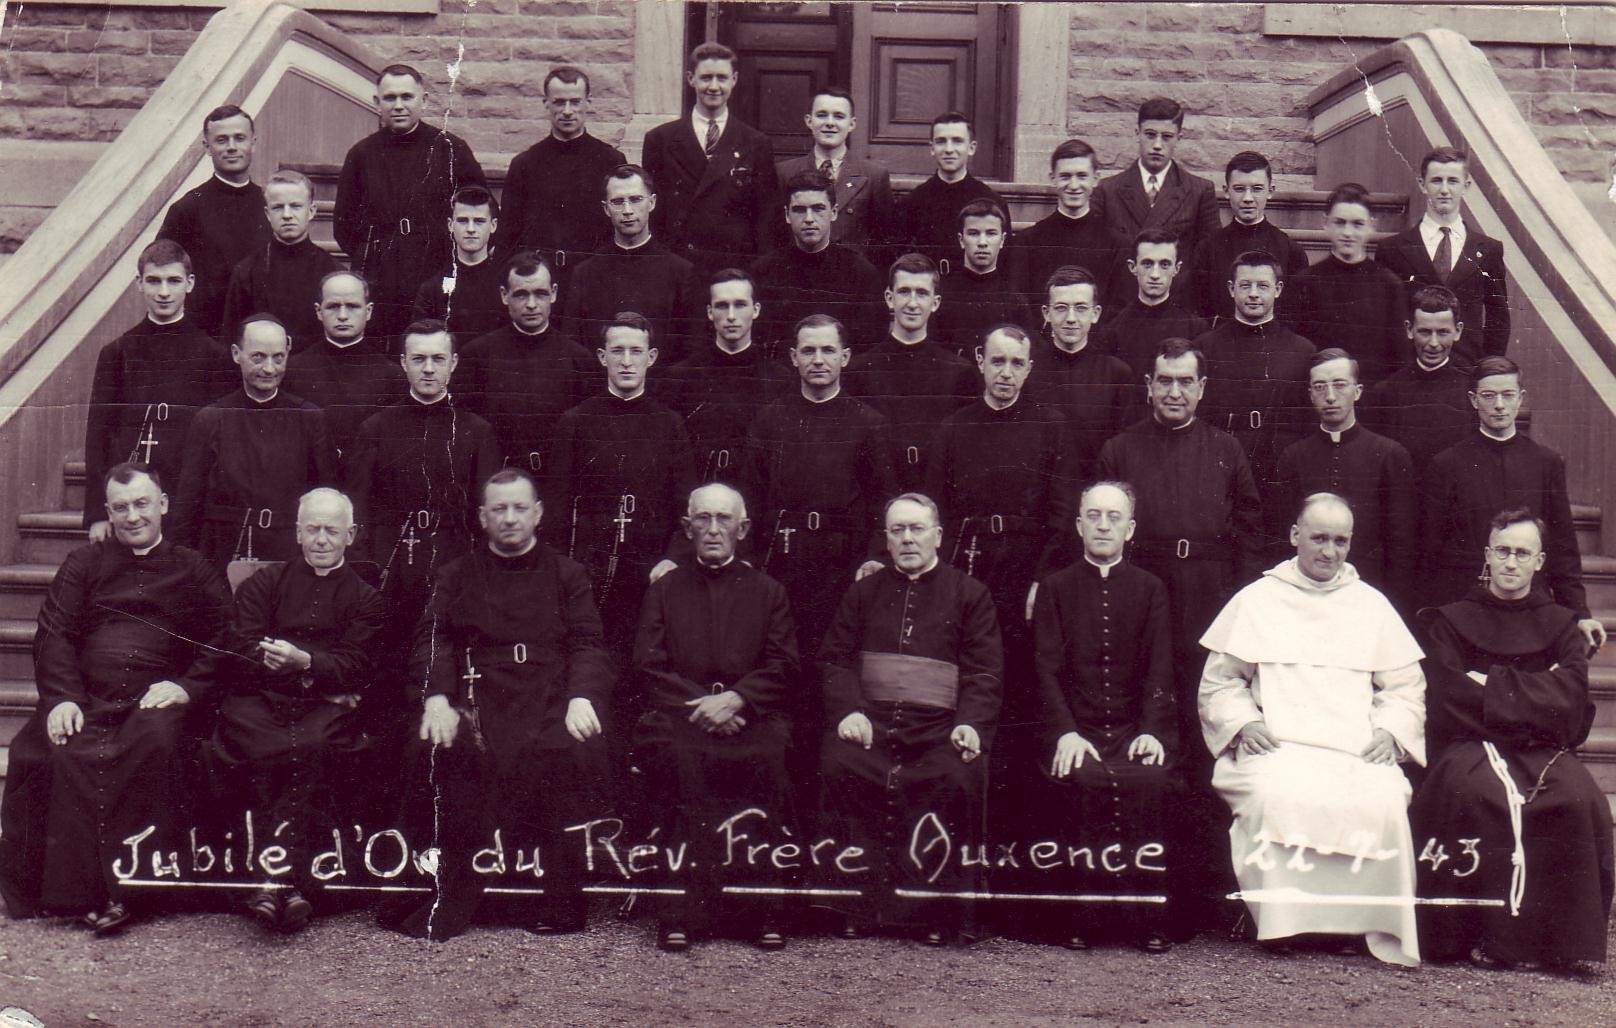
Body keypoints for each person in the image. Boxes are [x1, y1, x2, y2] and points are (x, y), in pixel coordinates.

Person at [381, 467, 614, 940]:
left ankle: (557, 900)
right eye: (499, 509)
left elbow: (588, 642)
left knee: (574, 749)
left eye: (519, 508)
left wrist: (581, 696)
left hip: (549, 698)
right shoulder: (456, 574)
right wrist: (437, 697)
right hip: (478, 699)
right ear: (483, 517)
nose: (510, 518)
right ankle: (440, 892)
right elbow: (432, 639)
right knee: (433, 747)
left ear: (538, 514)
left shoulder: (567, 574)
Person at [0, 463, 232, 931]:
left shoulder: (193, 567)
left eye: (142, 504)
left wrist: (187, 687)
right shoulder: (83, 564)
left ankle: (132, 892)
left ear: (162, 505)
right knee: (54, 746)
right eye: (121, 507)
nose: (132, 516)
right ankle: (70, 892)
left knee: (156, 744)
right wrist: (62, 698)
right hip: (86, 694)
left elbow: (227, 635)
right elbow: (53, 631)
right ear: (108, 512)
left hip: (155, 697)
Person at [1199, 493, 1427, 966]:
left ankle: (1360, 926)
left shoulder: (1371, 605)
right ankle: (1283, 923)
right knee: (1277, 794)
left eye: (1340, 541)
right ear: (1295, 536)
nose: (1329, 551)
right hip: (1280, 746)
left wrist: (1390, 731)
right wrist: (1245, 722)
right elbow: (1221, 682)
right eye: (1319, 538)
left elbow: (1405, 686)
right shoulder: (1258, 600)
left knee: (1384, 797)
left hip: (1354, 750)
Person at [1096, 338, 1263, 929]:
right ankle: (1140, 883)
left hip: (1208, 600)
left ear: (1201, 387)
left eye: (1185, 381)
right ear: (1148, 386)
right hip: (1143, 596)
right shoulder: (1120, 449)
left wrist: (1240, 609)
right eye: (1164, 380)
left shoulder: (1226, 448)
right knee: (1146, 725)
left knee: (1200, 735)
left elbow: (1249, 531)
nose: (1173, 391)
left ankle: (1206, 892)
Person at [1412, 508, 1612, 968]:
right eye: (1502, 551)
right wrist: (1537, 693)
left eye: (1522, 553)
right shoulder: (1450, 621)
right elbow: (1449, 697)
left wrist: (1490, 685)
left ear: (1539, 562)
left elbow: (1570, 701)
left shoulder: (1562, 625)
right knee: (1474, 794)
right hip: (1470, 745)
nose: (1511, 562)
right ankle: (1480, 936)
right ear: (1487, 555)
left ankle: (1559, 945)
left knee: (1579, 798)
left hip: (1541, 748)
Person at [817, 492, 1003, 945]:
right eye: (897, 530)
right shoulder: (862, 593)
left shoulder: (970, 594)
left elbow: (984, 672)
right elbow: (835, 660)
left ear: (938, 536)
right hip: (872, 724)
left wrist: (969, 723)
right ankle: (854, 905)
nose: (907, 538)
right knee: (839, 762)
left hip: (939, 729)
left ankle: (936, 913)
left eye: (917, 529)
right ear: (886, 539)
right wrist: (849, 711)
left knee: (956, 774)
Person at [200, 487, 386, 933]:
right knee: (263, 745)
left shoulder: (366, 598)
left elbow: (358, 665)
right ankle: (285, 885)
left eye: (332, 531)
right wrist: (309, 674)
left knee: (313, 747)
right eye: (313, 529)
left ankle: (280, 884)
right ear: (298, 533)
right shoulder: (265, 583)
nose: (321, 539)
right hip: (264, 701)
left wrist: (306, 663)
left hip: (322, 710)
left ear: (350, 535)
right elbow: (241, 648)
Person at [632, 483, 801, 951]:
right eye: (702, 519)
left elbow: (784, 664)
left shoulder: (769, 591)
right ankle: (681, 913)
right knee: (682, 762)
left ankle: (762, 911)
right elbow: (648, 664)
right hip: (680, 715)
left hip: (749, 714)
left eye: (723, 519)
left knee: (769, 758)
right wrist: (705, 706)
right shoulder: (665, 589)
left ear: (742, 530)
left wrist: (738, 699)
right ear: (687, 528)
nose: (712, 529)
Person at [1029, 481, 1174, 953]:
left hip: (1132, 731)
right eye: (1093, 516)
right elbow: (1045, 670)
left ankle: (1147, 920)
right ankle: (1082, 919)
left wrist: (1152, 731)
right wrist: (1065, 734)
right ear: (1078, 525)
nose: (1103, 525)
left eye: (1114, 517)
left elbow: (1159, 668)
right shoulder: (1055, 588)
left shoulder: (1151, 589)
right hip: (1077, 731)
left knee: (1150, 779)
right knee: (1082, 779)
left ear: (1130, 529)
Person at [344, 320, 499, 738]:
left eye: (437, 359)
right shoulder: (376, 429)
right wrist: (370, 571)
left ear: (453, 364)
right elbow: (357, 510)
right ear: (403, 363)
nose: (428, 369)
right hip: (390, 571)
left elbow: (486, 514)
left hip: (454, 567)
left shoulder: (476, 431)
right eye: (418, 359)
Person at [737, 314, 897, 701]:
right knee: (781, 659)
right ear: (794, 358)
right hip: (783, 562)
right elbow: (749, 499)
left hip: (842, 565)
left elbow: (884, 502)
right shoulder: (770, 420)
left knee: (834, 663)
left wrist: (875, 557)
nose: (819, 359)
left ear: (845, 357)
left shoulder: (868, 423)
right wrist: (747, 558)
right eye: (808, 351)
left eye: (828, 350)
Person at [1421, 357, 1603, 651]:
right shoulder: (1446, 464)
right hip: (1466, 608)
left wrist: (1579, 613)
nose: (1499, 405)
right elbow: (1430, 550)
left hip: (1530, 609)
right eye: (1488, 396)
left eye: (1507, 395)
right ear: (1473, 400)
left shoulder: (1546, 462)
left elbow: (1563, 548)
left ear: (1521, 398)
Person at [547, 312, 697, 659]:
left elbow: (686, 506)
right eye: (617, 351)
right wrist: (567, 571)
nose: (626, 361)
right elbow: (557, 507)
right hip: (590, 570)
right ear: (602, 357)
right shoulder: (576, 422)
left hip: (653, 570)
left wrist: (673, 559)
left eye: (635, 351)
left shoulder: (670, 424)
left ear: (651, 357)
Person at [923, 325, 1068, 680]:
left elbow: (1063, 513)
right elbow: (935, 509)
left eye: (1017, 363)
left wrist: (1043, 579)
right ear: (980, 361)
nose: (1006, 372)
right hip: (968, 564)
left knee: (1021, 670)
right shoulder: (953, 427)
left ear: (1029, 368)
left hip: (1026, 569)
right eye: (997, 361)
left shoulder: (1051, 426)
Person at [82, 239, 231, 543]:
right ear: (139, 283)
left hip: (190, 501)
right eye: (154, 281)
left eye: (173, 281)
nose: (164, 292)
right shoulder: (117, 353)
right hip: (130, 502)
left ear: (190, 283)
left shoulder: (214, 356)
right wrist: (97, 513)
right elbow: (98, 437)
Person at [171, 314, 337, 569]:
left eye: (278, 358)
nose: (269, 369)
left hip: (290, 552)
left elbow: (326, 499)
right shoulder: (211, 419)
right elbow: (187, 507)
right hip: (224, 550)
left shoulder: (310, 418)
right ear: (236, 354)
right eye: (258, 357)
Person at [334, 63, 486, 337]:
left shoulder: (451, 149)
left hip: (437, 269)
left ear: (423, 100)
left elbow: (480, 211)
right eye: (390, 98)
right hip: (381, 275)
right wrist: (376, 256)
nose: (398, 105)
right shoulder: (361, 154)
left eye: (407, 97)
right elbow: (344, 226)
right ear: (377, 102)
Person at [1272, 349, 1416, 605]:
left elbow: (1401, 544)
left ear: (1357, 391)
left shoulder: (1390, 455)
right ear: (1310, 394)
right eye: (1320, 387)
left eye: (1339, 385)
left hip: (1370, 590)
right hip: (1304, 591)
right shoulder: (1293, 457)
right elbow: (1282, 536)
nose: (1330, 396)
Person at [843, 253, 977, 492]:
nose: (912, 303)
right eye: (904, 292)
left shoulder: (960, 373)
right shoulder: (858, 371)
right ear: (889, 298)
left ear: (935, 302)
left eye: (922, 293)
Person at [641, 42, 777, 273]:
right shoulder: (660, 139)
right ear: (691, 78)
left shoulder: (756, 142)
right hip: (678, 265)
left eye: (721, 78)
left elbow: (766, 217)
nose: (714, 87)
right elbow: (652, 214)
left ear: (734, 79)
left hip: (733, 269)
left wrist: (756, 272)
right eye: (706, 78)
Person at [457, 251, 597, 475]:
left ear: (554, 293)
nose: (531, 304)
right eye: (521, 295)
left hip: (558, 481)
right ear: (504, 295)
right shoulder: (476, 357)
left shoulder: (579, 359)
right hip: (497, 481)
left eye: (540, 294)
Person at [1372, 146, 1510, 368]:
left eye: (1453, 181)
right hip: (1411, 371)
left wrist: (1485, 370)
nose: (1444, 190)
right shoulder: (1392, 249)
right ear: (1422, 184)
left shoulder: (1489, 250)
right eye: (1436, 180)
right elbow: (1383, 318)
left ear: (1466, 186)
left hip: (1467, 371)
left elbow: (1498, 318)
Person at [1192, 250, 1315, 487]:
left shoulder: (1302, 351)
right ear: (1231, 289)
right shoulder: (1205, 348)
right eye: (1245, 285)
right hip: (1220, 459)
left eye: (1263, 286)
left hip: (1279, 463)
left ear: (1278, 289)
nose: (1254, 294)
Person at [660, 268, 795, 485]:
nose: (731, 316)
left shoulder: (779, 379)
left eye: (740, 305)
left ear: (756, 310)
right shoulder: (681, 377)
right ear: (709, 312)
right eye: (722, 306)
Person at [562, 164, 705, 364]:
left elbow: (693, 348)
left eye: (636, 200)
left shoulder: (681, 272)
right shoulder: (585, 273)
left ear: (652, 202)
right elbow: (572, 347)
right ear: (606, 208)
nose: (627, 210)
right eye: (617, 202)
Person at [497, 65, 626, 286]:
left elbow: (620, 227)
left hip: (594, 279)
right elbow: (508, 237)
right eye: (559, 102)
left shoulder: (610, 161)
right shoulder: (525, 164)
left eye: (575, 102)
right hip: (539, 281)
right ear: (546, 103)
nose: (567, 111)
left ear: (588, 103)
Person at [156, 104, 270, 338]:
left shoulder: (271, 205)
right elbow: (162, 274)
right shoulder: (187, 208)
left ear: (253, 143)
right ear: (207, 147)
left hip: (260, 336)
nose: (231, 147)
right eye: (221, 140)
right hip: (205, 338)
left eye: (239, 138)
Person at [749, 169, 885, 354]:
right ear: (787, 215)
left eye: (818, 209)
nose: (809, 219)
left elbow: (870, 344)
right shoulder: (762, 272)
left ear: (833, 212)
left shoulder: (862, 273)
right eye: (799, 210)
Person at [1023, 265, 1134, 487]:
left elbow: (1124, 450)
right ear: (1046, 313)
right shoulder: (1028, 371)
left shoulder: (1117, 374)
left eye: (1081, 308)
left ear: (1096, 314)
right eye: (1061, 308)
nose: (1071, 318)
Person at [1288, 182, 1407, 384]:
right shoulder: (1305, 283)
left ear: (1372, 225)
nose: (1348, 233)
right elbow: (1297, 354)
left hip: (1372, 394)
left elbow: (1399, 358)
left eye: (1357, 224)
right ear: (1325, 223)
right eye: (1340, 222)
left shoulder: (1390, 285)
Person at [282, 271, 401, 465]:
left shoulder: (392, 376)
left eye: (353, 306)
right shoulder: (292, 370)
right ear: (319, 311)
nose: (343, 316)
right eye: (333, 306)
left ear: (368, 311)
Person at [1091, 97, 1221, 266]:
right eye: (1150, 135)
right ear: (1138, 134)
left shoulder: (1199, 191)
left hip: (1176, 283)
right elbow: (1096, 255)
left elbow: (1209, 260)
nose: (1157, 145)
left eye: (1167, 137)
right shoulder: (1107, 190)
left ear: (1179, 138)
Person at [1185, 151, 1309, 324]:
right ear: (1226, 191)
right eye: (1239, 189)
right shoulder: (1207, 248)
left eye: (1257, 189)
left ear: (1270, 191)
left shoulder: (1291, 250)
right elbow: (1199, 310)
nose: (1247, 198)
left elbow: (1297, 315)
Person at [220, 168, 337, 347]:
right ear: (268, 214)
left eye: (296, 206)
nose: (287, 215)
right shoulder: (246, 272)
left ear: (311, 211)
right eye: (278, 207)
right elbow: (231, 340)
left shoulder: (332, 271)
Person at [1368, 285, 1476, 475]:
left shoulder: (1471, 392)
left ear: (1458, 331)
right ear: (1409, 329)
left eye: (1443, 332)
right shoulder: (1386, 392)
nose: (1433, 343)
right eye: (1425, 332)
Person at [773, 86, 894, 252]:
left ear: (851, 124)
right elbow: (774, 235)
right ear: (809, 121)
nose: (830, 123)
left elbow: (885, 241)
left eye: (839, 116)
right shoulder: (784, 173)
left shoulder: (874, 176)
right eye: (822, 115)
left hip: (852, 267)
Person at [1010, 139, 1127, 308]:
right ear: (1053, 179)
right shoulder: (1027, 242)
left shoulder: (1116, 245)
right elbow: (1020, 307)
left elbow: (1117, 308)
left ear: (1095, 179)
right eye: (1065, 176)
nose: (1073, 185)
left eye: (1082, 176)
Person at [896, 112, 1004, 268]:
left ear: (971, 148)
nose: (949, 149)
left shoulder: (992, 201)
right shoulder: (911, 203)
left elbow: (1004, 260)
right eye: (941, 141)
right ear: (932, 148)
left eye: (957, 141)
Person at [1097, 229, 1208, 380]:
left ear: (1177, 268)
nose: (1155, 274)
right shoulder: (1112, 330)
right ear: (1132, 267)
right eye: (1147, 264)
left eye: (1164, 264)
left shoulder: (1196, 329)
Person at [934, 198, 1033, 359]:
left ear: (1002, 240)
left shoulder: (1014, 300)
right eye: (973, 233)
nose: (982, 242)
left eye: (991, 233)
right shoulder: (941, 296)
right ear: (961, 240)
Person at [411, 185, 507, 344]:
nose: (471, 229)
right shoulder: (431, 289)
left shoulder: (505, 286)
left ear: (493, 225)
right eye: (463, 221)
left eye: (479, 221)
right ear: (450, 225)